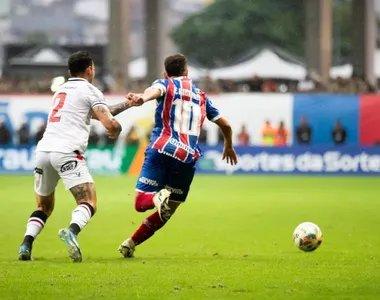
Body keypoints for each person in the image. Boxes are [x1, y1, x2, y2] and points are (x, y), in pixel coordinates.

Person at [118, 54, 237, 258]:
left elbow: (154, 91)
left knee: (140, 203)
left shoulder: (166, 84)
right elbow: (225, 124)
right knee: (167, 211)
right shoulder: (201, 96)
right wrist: (228, 145)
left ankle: (156, 197)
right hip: (186, 157)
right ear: (187, 72)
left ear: (166, 73)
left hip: (162, 149)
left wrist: (142, 98)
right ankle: (131, 243)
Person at [18, 50, 132, 262]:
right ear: (90, 69)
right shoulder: (90, 90)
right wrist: (116, 129)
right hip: (67, 151)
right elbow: (108, 122)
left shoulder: (61, 91)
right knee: (88, 201)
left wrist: (128, 103)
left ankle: (26, 244)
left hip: (43, 151)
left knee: (43, 207)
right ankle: (71, 231)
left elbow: (98, 114)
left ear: (70, 71)